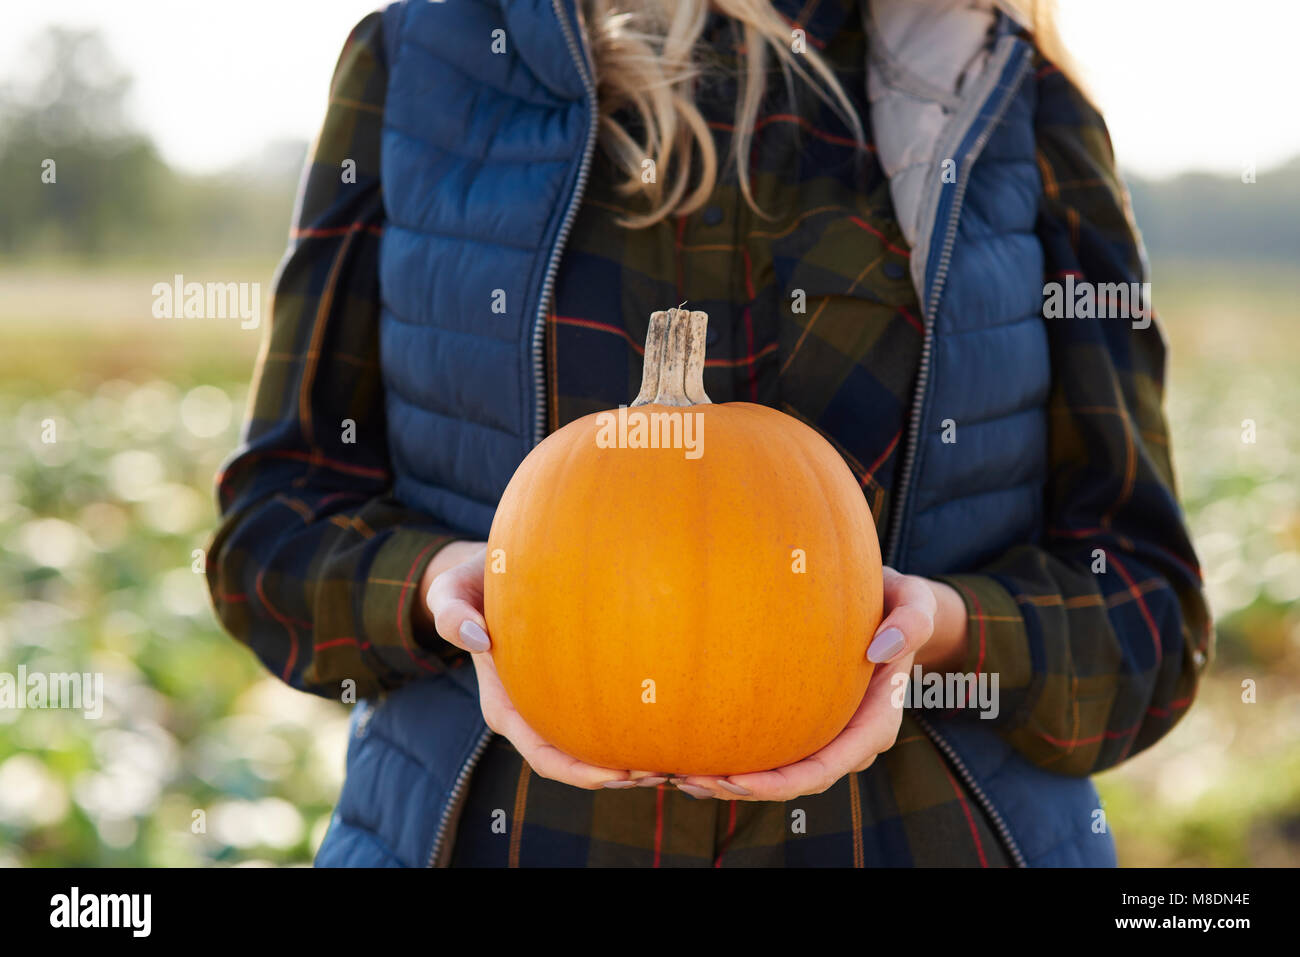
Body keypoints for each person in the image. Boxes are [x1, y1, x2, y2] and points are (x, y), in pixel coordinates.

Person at [207, 0, 1212, 867]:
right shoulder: (429, 59)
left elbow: (1145, 617)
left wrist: (938, 632)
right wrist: (446, 594)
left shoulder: (1005, 90)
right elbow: (272, 538)